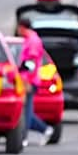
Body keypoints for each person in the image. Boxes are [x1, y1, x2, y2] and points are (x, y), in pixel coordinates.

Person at [16, 16, 55, 146]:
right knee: (27, 111)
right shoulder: (30, 39)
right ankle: (45, 129)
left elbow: (31, 62)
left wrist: (26, 80)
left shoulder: (33, 41)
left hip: (29, 81)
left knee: (26, 111)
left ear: (21, 27)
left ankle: (23, 137)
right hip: (26, 79)